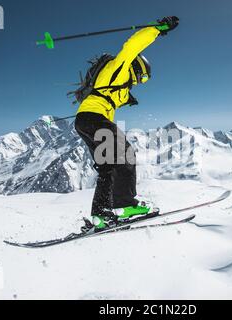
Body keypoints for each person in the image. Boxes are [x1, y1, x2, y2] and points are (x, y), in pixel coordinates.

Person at [74, 16, 179, 232]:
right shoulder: (120, 65)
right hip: (95, 119)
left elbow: (113, 92)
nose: (138, 82)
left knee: (108, 168)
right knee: (126, 156)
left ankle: (100, 215)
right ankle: (125, 205)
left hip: (84, 121)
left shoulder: (115, 81)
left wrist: (126, 98)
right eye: (141, 78)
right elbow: (132, 45)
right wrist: (157, 29)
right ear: (137, 68)